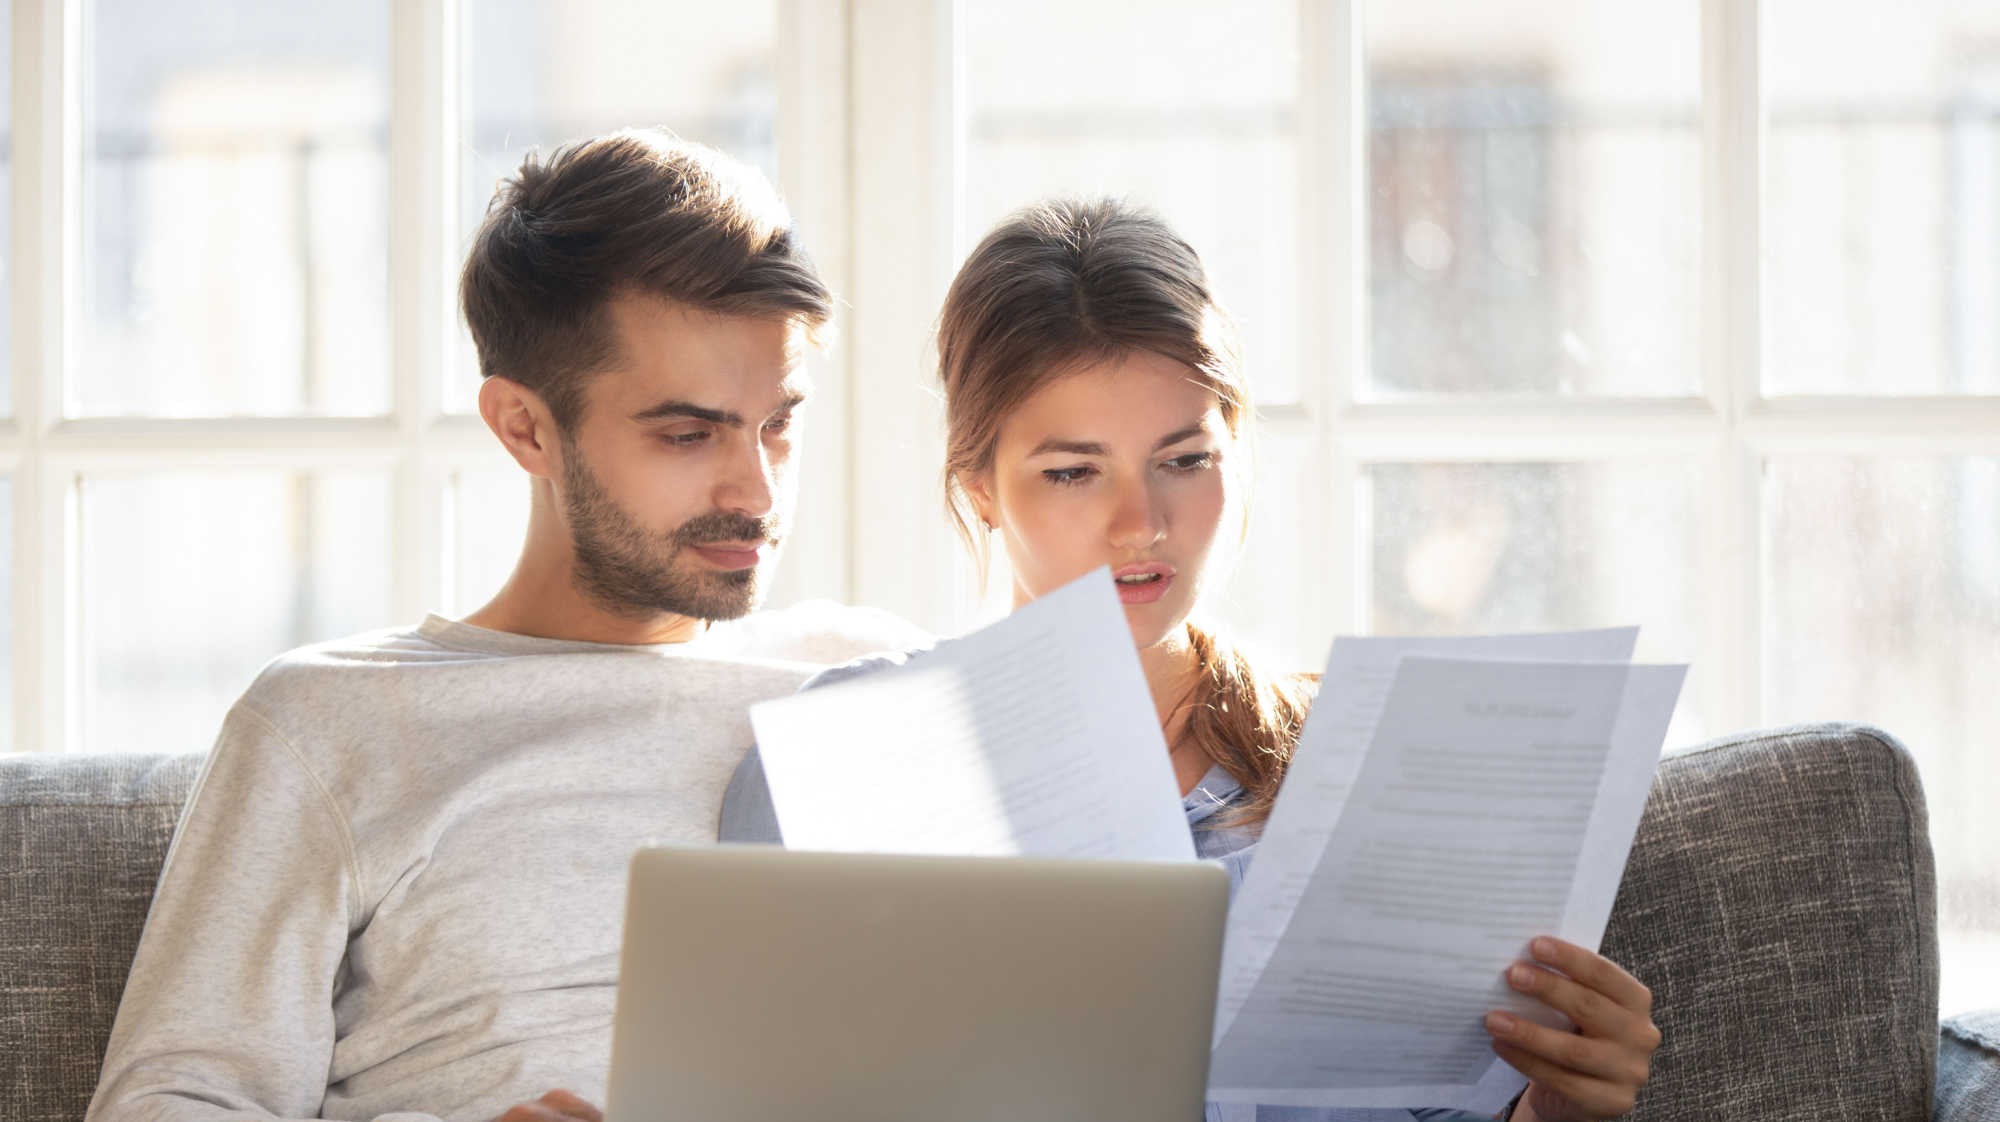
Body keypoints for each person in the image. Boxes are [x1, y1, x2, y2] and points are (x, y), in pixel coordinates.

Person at [721, 198, 1661, 1122]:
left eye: (1183, 459)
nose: (1142, 525)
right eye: (1073, 472)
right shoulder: (840, 763)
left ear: (1234, 454)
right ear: (980, 488)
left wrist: (1560, 1110)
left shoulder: (1370, 762)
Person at [85, 130, 923, 1122]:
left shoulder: (875, 685)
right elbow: (165, 1103)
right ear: (523, 426)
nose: (754, 488)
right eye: (687, 433)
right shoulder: (331, 719)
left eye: (777, 422)